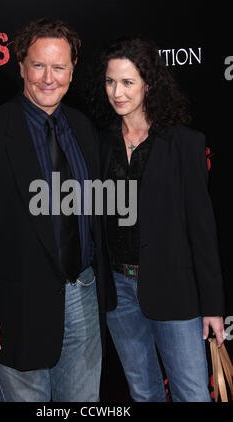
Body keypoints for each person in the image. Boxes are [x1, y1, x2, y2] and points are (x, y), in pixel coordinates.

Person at [0, 17, 114, 402]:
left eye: (59, 67)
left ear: (72, 71)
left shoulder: (83, 127)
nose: (48, 78)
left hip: (84, 295)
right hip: (15, 305)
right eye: (38, 65)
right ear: (21, 65)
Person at [88, 37, 226, 402]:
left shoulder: (184, 143)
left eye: (128, 82)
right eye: (110, 81)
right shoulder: (100, 144)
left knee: (192, 393)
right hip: (119, 293)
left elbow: (202, 229)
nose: (117, 92)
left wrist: (212, 305)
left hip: (174, 291)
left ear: (149, 84)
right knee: (143, 392)